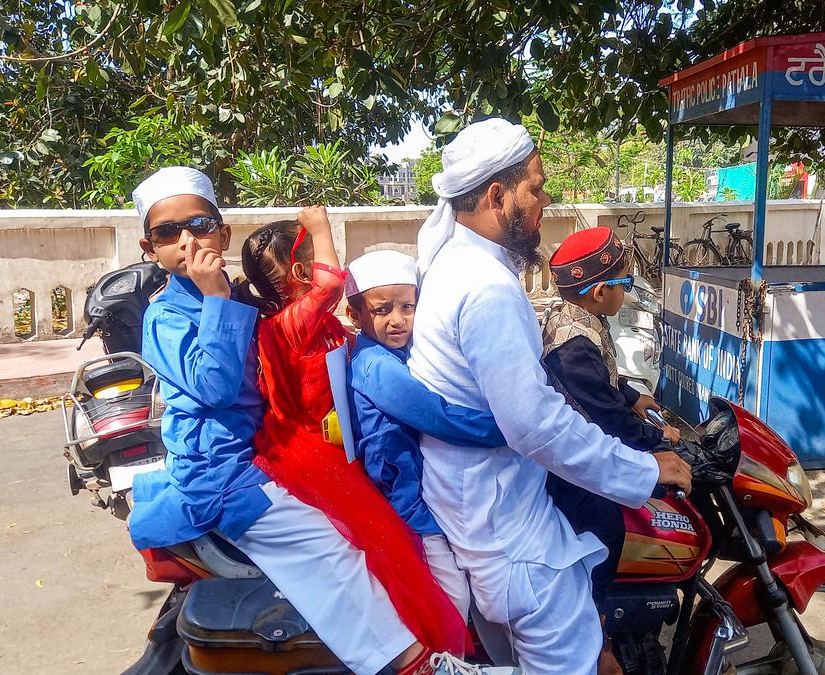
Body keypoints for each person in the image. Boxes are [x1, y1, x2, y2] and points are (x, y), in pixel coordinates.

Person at [130, 168, 506, 675]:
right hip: (223, 474)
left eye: (199, 224)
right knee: (333, 555)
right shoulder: (168, 315)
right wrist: (216, 297)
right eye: (168, 233)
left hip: (267, 450)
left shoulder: (240, 297)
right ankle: (414, 665)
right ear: (149, 249)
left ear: (222, 232)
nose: (188, 239)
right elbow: (215, 388)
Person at [408, 118, 693, 675]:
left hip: (482, 511)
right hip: (513, 535)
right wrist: (641, 467)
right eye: (535, 188)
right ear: (497, 196)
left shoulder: (456, 266)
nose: (545, 201)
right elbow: (534, 423)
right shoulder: (485, 288)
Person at [540, 227, 683, 675]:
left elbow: (606, 391)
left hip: (585, 443)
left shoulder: (584, 318)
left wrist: (633, 397)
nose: (627, 294)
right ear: (600, 291)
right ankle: (596, 635)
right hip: (571, 462)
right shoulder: (572, 342)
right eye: (625, 286)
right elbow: (604, 417)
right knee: (607, 526)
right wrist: (657, 446)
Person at [344, 249, 507, 621]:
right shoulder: (376, 368)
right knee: (453, 599)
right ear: (355, 315)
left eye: (408, 307)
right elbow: (439, 416)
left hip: (422, 492)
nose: (398, 320)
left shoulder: (397, 355)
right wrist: (510, 429)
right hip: (408, 504)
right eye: (382, 310)